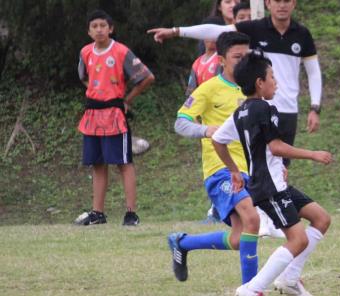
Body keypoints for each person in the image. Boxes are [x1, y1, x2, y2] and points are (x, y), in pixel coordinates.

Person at [212, 51, 332, 296]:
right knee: (298, 240)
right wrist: (313, 154)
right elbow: (275, 147)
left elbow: (217, 140)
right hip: (270, 187)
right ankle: (252, 289)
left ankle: (290, 279)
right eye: (272, 77)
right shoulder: (266, 107)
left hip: (271, 183)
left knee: (321, 219)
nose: (275, 82)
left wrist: (235, 171)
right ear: (259, 82)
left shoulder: (240, 112)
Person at [147, 0, 323, 167]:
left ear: (294, 3)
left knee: (280, 168)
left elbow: (313, 72)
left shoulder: (302, 34)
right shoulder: (254, 28)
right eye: (277, 1)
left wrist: (315, 107)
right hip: (258, 106)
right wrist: (177, 31)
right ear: (268, 3)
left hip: (287, 110)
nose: (282, 5)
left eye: (287, 1)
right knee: (257, 164)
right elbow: (216, 31)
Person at [168, 32, 259, 285]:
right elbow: (180, 123)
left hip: (250, 168)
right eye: (237, 57)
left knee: (240, 238)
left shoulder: (254, 88)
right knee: (253, 219)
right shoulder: (208, 89)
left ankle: (182, 243)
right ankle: (251, 290)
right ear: (221, 60)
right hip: (220, 168)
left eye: (247, 56)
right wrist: (206, 130)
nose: (243, 62)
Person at [74, 9, 154, 226]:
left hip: (115, 114)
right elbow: (83, 77)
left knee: (123, 162)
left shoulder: (120, 51)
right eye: (95, 26)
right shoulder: (85, 53)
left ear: (111, 29)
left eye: (103, 25)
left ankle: (131, 214)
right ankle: (98, 213)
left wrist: (126, 100)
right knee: (97, 164)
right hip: (92, 114)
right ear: (89, 31)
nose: (99, 29)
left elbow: (146, 77)